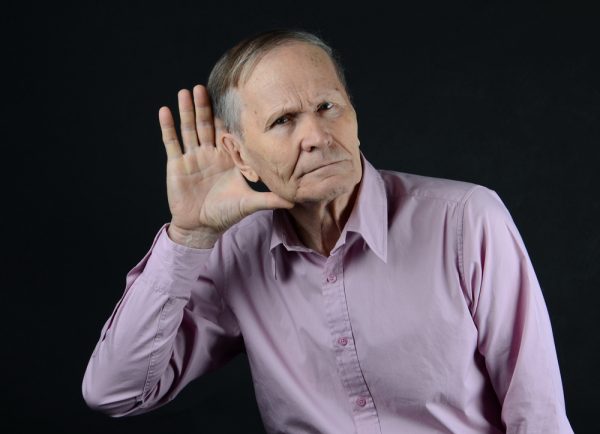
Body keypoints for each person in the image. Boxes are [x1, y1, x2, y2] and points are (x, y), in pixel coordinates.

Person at [82, 29, 574, 433]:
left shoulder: (465, 220)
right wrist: (188, 238)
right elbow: (115, 393)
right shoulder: (237, 250)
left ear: (353, 112)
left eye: (327, 107)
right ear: (239, 155)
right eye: (283, 120)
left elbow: (539, 417)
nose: (317, 137)